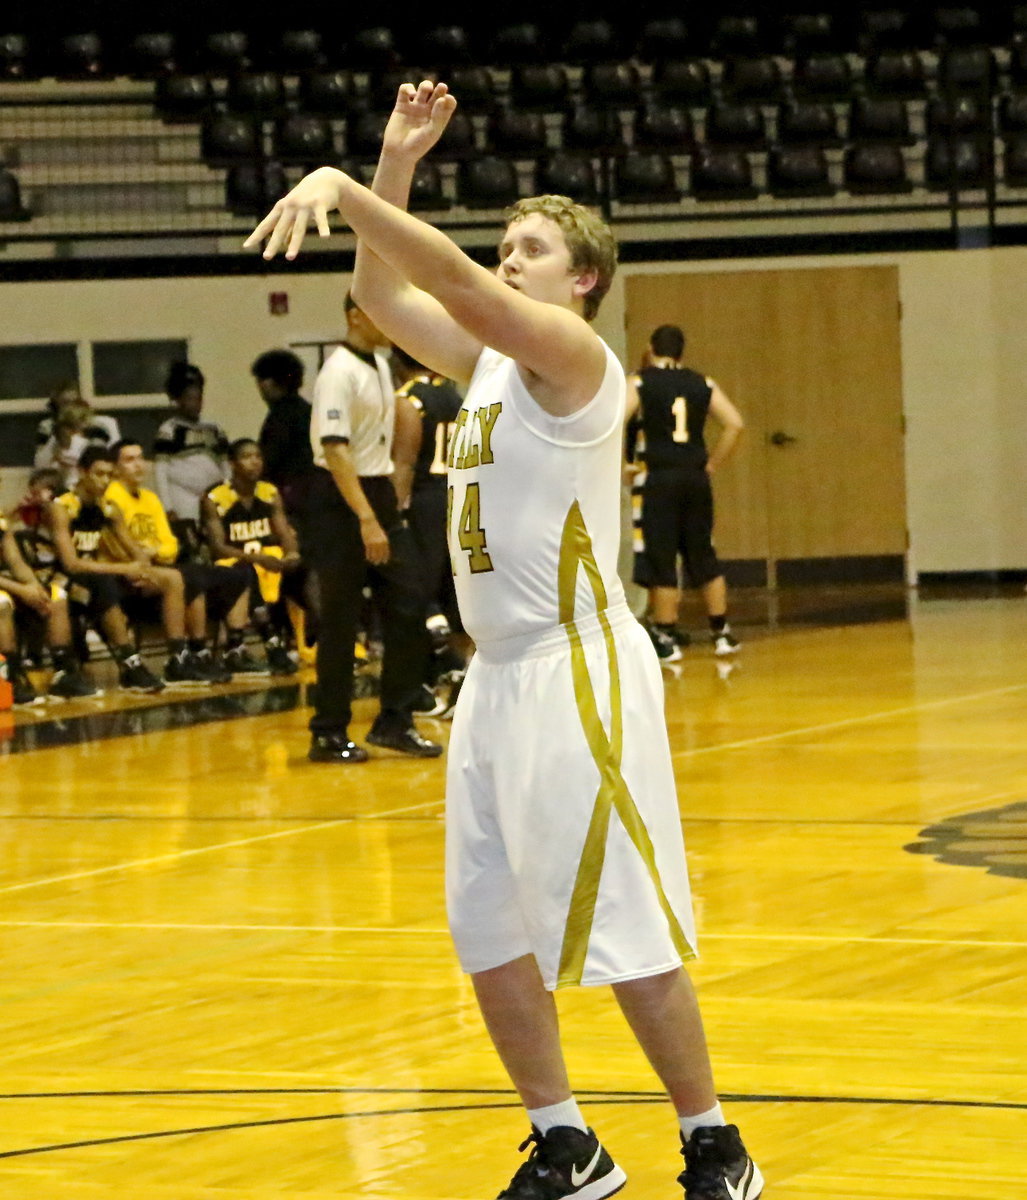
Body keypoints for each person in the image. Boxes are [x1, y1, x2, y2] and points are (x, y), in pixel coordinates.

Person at [245, 80, 762, 1200]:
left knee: (620, 914)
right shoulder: (482, 370)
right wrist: (391, 163)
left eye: (527, 248)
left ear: (580, 278)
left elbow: (456, 287)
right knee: (486, 923)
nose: (508, 258)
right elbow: (381, 297)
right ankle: (566, 1141)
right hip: (494, 679)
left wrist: (336, 187)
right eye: (504, 245)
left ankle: (712, 1138)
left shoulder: (575, 360)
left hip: (579, 664)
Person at [294, 292, 441, 763]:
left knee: (410, 599)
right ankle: (328, 732)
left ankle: (395, 721)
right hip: (341, 499)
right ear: (355, 316)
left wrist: (388, 499)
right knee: (340, 618)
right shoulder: (337, 372)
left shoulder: (378, 365)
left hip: (376, 490)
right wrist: (365, 519)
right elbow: (335, 452)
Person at [626, 326, 745, 661]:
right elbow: (734, 423)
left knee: (662, 556)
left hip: (659, 479)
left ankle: (665, 636)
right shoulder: (702, 383)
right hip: (695, 478)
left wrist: (623, 465)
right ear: (681, 352)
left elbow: (614, 420)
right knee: (702, 552)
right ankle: (722, 633)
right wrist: (711, 464)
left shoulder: (640, 381)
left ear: (651, 348)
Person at [47, 445, 193, 694]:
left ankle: (179, 658)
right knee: (101, 584)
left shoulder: (109, 507)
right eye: (98, 474)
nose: (104, 481)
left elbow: (134, 550)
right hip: (62, 578)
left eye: (109, 475)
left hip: (100, 573)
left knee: (172, 578)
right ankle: (128, 662)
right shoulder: (62, 506)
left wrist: (143, 570)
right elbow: (71, 564)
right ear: (82, 472)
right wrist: (124, 568)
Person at [106, 439, 253, 683]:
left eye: (141, 458)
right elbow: (120, 549)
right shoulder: (111, 499)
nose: (139, 465)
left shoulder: (151, 499)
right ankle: (183, 655)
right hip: (128, 573)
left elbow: (170, 545)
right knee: (187, 577)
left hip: (158, 565)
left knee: (238, 572)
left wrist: (153, 551)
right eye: (129, 460)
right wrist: (150, 553)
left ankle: (233, 649)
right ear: (115, 467)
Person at [392, 346, 466, 716]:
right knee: (450, 589)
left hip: (424, 501)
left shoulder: (409, 400)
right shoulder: (455, 396)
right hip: (458, 496)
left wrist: (394, 510)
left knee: (417, 587)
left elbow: (403, 462)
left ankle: (448, 670)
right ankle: (449, 676)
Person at [201, 437, 304, 676]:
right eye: (247, 457)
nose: (254, 462)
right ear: (233, 464)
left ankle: (316, 640)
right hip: (233, 562)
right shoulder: (214, 497)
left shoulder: (269, 492)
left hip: (267, 559)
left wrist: (292, 553)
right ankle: (270, 642)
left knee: (305, 568)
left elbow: (283, 530)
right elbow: (218, 547)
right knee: (246, 573)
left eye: (258, 456)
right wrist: (258, 560)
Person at [0, 510, 101, 703]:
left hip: (6, 582)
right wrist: (21, 591)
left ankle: (63, 674)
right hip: (4, 587)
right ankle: (8, 677)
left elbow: (16, 562)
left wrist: (33, 587)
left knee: (55, 596)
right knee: (1, 603)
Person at [152, 362, 229, 549]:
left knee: (218, 538)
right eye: (189, 398)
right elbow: (160, 470)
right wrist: (167, 506)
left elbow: (225, 464)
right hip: (183, 495)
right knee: (191, 541)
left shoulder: (214, 428)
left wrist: (227, 490)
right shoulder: (169, 430)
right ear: (177, 400)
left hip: (213, 496)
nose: (195, 403)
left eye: (199, 398)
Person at [252, 348, 317, 527]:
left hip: (289, 497)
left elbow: (269, 460)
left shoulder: (279, 417)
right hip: (316, 494)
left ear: (270, 382)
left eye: (260, 381)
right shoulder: (309, 411)